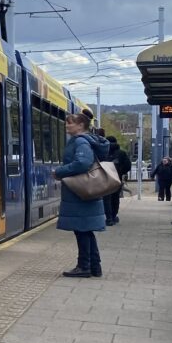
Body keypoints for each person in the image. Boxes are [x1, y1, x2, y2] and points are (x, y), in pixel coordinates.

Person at [53, 108, 110, 277]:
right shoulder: (85, 141)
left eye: (70, 123)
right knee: (85, 230)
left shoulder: (81, 142)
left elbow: (82, 163)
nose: (67, 126)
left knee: (82, 230)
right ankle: (94, 266)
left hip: (80, 193)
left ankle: (84, 266)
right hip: (83, 193)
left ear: (80, 125)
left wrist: (60, 171)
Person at [104, 135, 131, 225]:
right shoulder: (122, 153)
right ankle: (114, 215)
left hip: (105, 178)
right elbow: (128, 166)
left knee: (106, 198)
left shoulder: (103, 151)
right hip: (117, 178)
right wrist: (120, 171)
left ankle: (108, 217)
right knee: (115, 197)